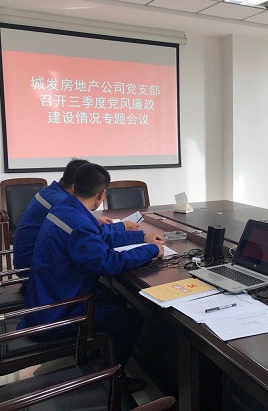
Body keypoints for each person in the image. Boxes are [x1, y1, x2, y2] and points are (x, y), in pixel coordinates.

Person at [19, 163, 165, 391]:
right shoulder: (77, 222)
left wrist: (141, 238)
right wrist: (151, 251)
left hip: (45, 297)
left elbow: (97, 237)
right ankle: (112, 383)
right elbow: (108, 262)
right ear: (101, 194)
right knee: (131, 319)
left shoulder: (65, 208)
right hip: (56, 313)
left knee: (114, 299)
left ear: (74, 186)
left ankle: (100, 360)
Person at [13, 158, 140, 272]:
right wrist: (121, 227)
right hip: (34, 266)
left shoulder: (53, 193)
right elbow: (103, 257)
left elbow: (82, 229)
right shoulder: (60, 203)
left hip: (41, 262)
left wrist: (95, 221)